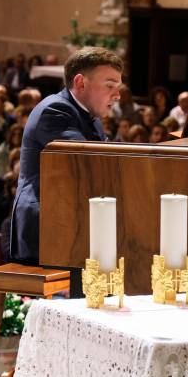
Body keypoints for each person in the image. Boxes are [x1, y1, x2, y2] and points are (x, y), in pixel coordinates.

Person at [10, 47, 122, 266]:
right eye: (110, 85)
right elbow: (87, 161)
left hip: (73, 222)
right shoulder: (55, 110)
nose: (117, 95)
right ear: (80, 82)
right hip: (45, 226)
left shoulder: (91, 117)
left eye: (118, 87)